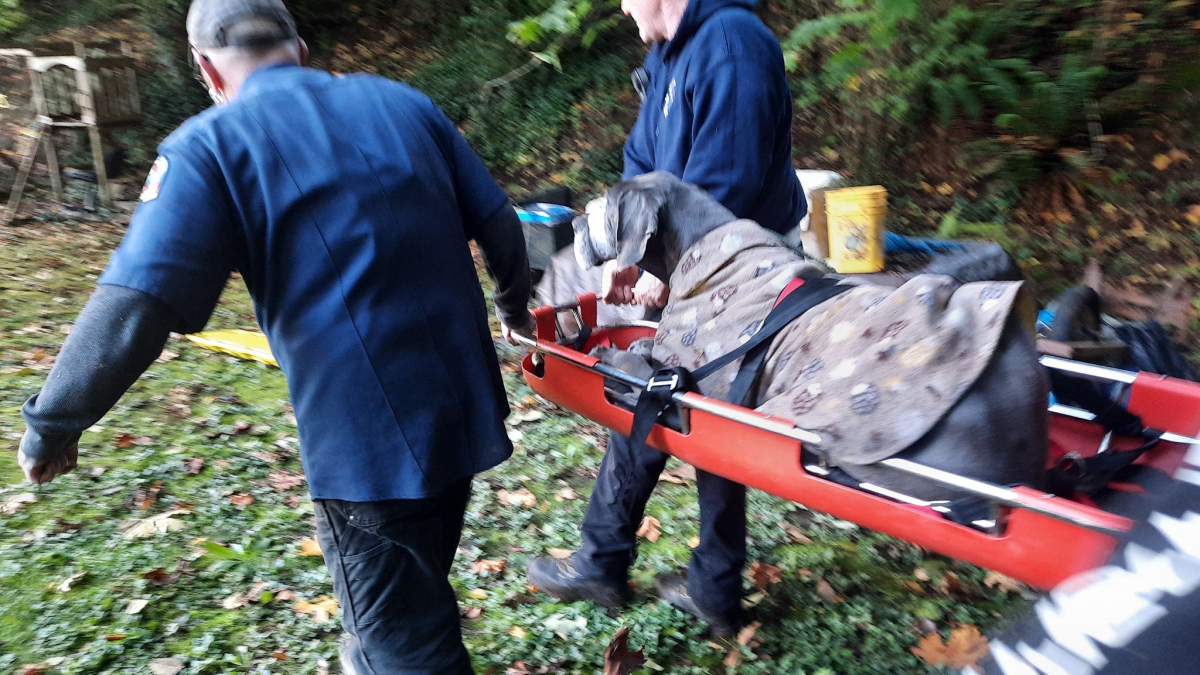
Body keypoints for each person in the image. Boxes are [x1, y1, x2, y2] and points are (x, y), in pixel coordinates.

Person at [15, 0, 533, 672]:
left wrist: (51, 424)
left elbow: (137, 301)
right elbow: (500, 223)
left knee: (405, 640)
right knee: (404, 598)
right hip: (463, 406)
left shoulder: (212, 145)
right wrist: (516, 307)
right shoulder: (402, 103)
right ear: (300, 49)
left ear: (207, 69)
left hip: (369, 448)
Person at [526, 0, 804, 637]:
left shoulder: (732, 44)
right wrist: (632, 250)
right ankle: (662, 572)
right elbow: (641, 167)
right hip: (686, 261)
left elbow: (723, 186)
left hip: (741, 266)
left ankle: (651, 569)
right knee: (663, 395)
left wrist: (663, 272)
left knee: (703, 406)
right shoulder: (667, 52)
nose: (622, 6)